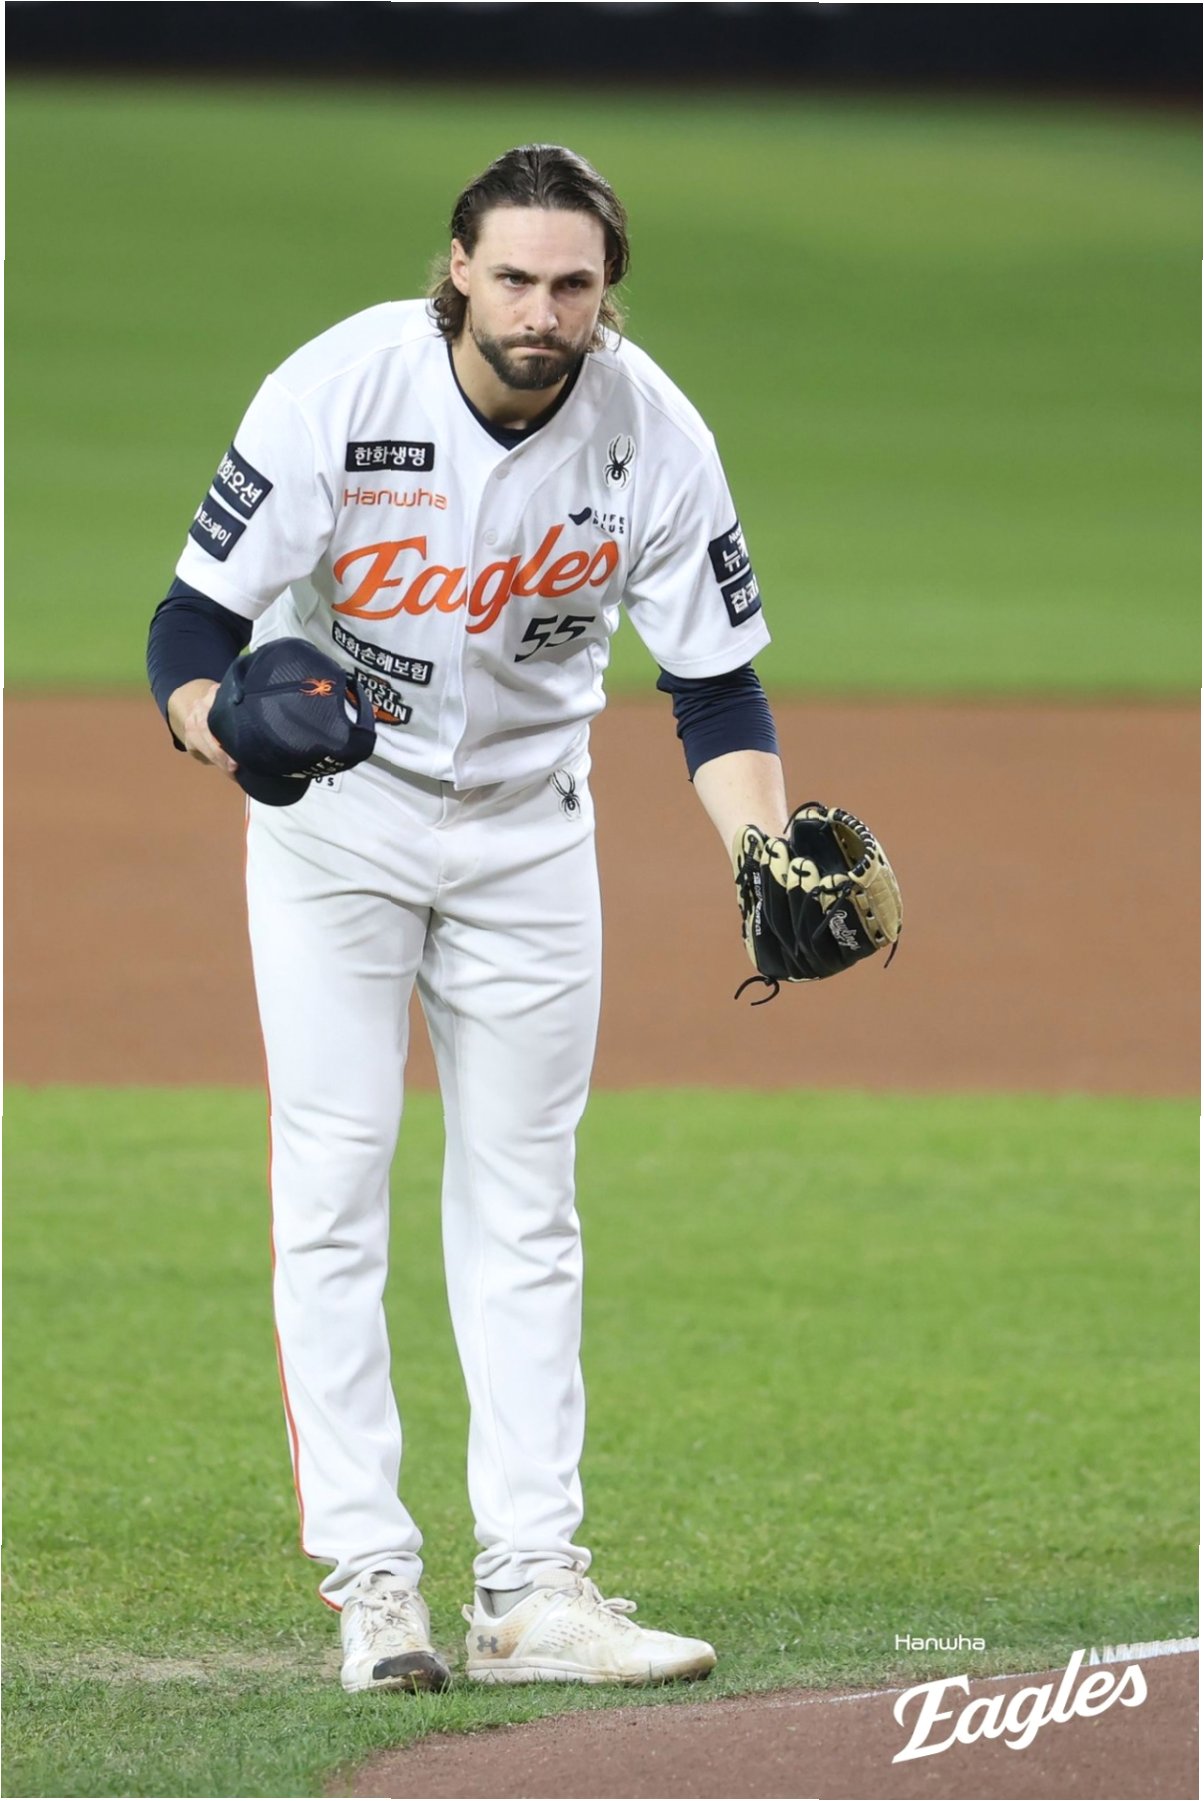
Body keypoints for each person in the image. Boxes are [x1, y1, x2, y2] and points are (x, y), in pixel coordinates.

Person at [147, 144, 788, 1694]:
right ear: (457, 269)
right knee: (334, 1181)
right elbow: (191, 624)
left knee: (526, 1201)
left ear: (606, 293)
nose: (541, 311)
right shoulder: (338, 390)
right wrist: (226, 728)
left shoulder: (654, 431)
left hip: (528, 837)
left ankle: (533, 1584)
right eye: (513, 276)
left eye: (572, 284)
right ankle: (375, 1583)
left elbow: (716, 687)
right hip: (338, 828)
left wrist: (764, 855)